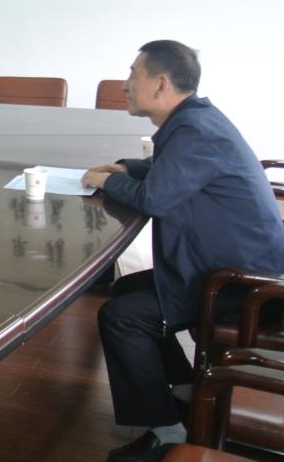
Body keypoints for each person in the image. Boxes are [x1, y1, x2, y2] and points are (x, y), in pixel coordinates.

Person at [80, 40, 284, 462]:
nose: (124, 85)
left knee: (121, 317)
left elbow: (154, 198)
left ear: (160, 83)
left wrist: (106, 181)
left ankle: (168, 431)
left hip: (244, 286)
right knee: (125, 291)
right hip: (225, 268)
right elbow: (171, 172)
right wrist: (128, 168)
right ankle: (187, 390)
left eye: (132, 74)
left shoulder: (194, 130)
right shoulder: (194, 120)